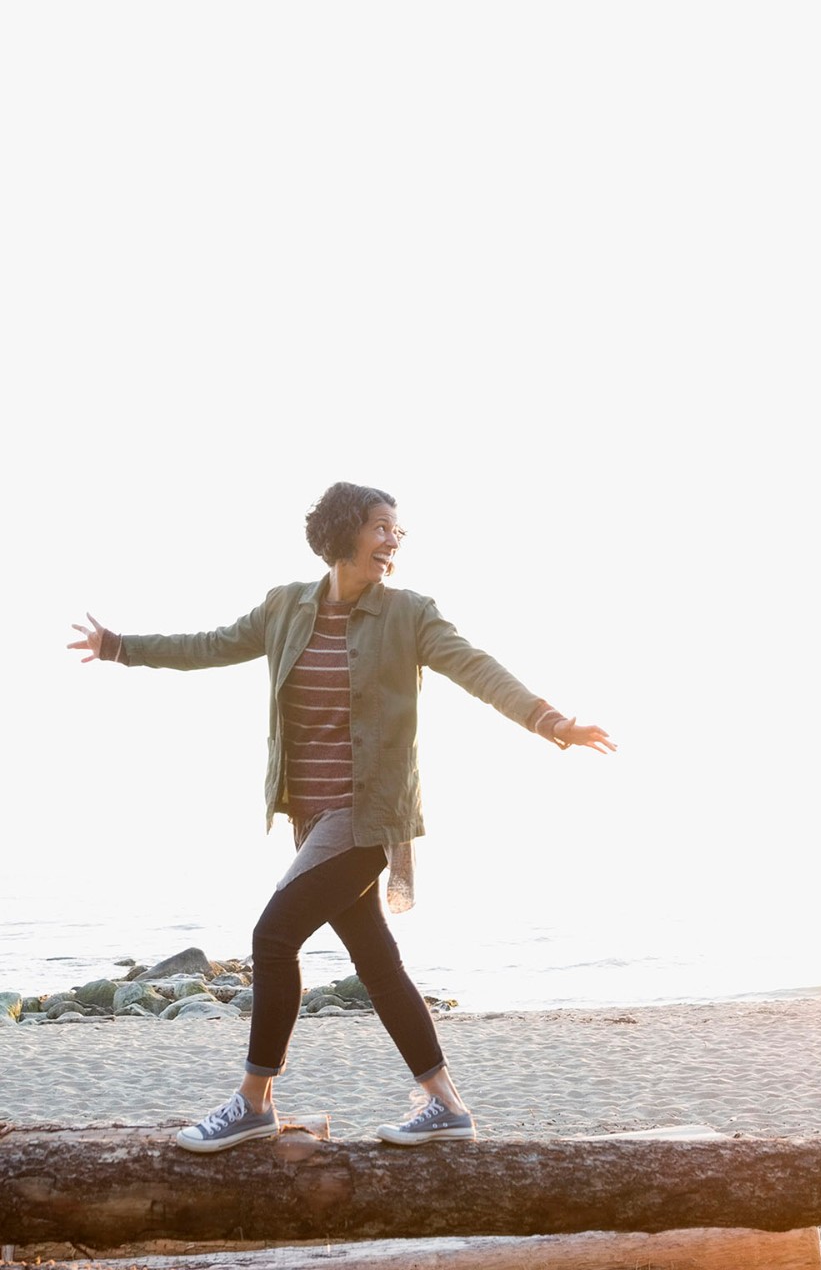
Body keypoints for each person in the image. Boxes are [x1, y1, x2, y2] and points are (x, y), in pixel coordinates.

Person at [68, 481, 615, 1152]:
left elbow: (477, 669)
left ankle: (253, 1102)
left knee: (273, 939)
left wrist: (550, 721)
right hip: (312, 819)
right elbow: (209, 645)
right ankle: (447, 1105)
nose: (392, 541)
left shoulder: (409, 614)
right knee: (377, 963)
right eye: (381, 527)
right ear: (344, 531)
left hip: (368, 817)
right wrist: (120, 646)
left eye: (397, 532)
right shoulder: (286, 606)